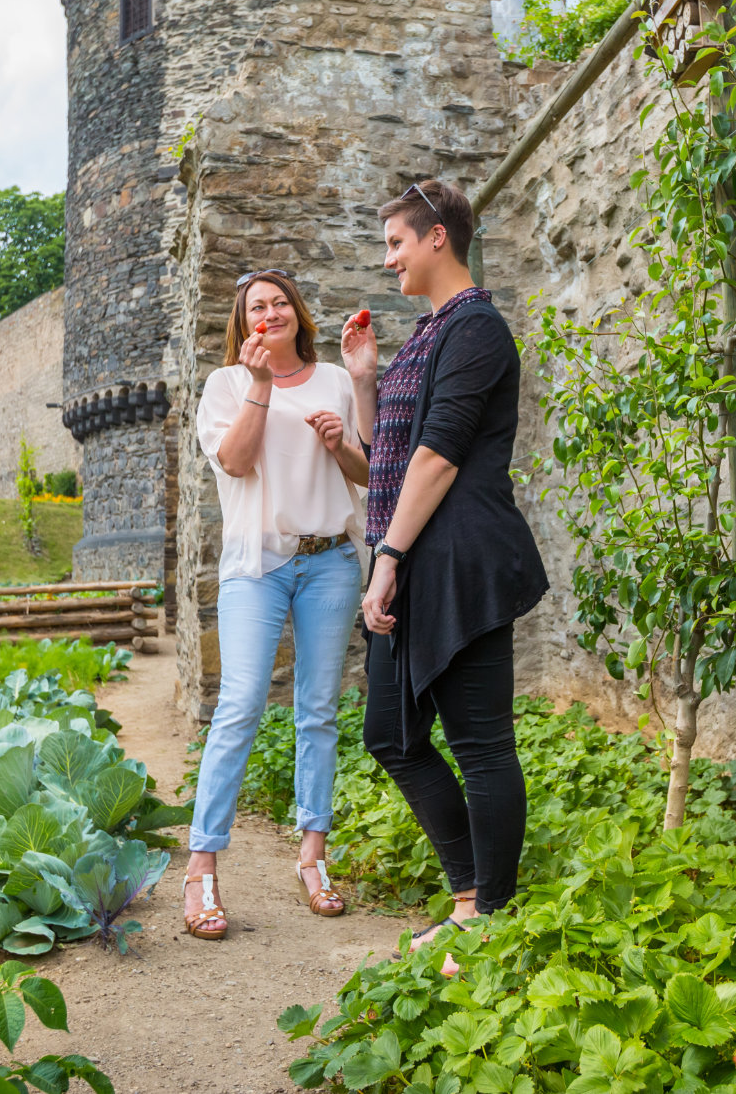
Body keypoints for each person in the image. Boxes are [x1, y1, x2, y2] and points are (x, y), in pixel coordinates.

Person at [339, 179, 548, 964]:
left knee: (480, 743)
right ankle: (470, 894)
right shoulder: (429, 333)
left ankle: (488, 914)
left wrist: (386, 558)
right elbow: (387, 458)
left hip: (460, 560)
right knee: (390, 733)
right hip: (415, 557)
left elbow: (438, 456)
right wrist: (366, 380)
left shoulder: (477, 327)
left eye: (396, 242)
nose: (387, 257)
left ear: (437, 237)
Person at [183, 268, 368, 940]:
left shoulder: (336, 381)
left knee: (318, 710)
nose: (269, 311)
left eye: (280, 301)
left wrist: (339, 444)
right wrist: (260, 385)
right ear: (244, 323)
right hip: (257, 564)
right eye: (256, 305)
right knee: (239, 704)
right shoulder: (226, 385)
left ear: (297, 312)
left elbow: (371, 472)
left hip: (330, 561)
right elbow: (234, 462)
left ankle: (313, 856)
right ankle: (201, 867)